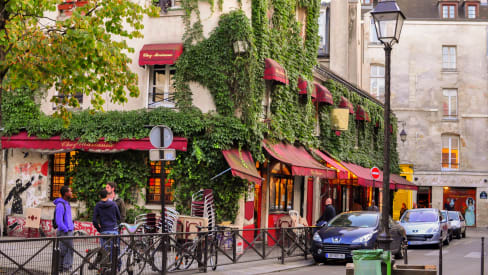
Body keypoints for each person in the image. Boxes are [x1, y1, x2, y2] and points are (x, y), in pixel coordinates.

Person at [93, 189, 121, 269]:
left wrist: (99, 229)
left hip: (104, 230)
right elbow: (119, 217)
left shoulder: (98, 205)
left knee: (104, 251)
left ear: (99, 196)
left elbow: (94, 220)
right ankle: (116, 268)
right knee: (115, 250)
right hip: (113, 230)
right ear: (107, 195)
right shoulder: (113, 204)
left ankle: (104, 268)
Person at [53, 186, 75, 273]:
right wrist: (66, 229)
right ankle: (66, 268)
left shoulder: (66, 203)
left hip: (68, 231)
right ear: (66, 193)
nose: (72, 193)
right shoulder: (60, 205)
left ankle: (62, 268)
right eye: (70, 191)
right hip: (65, 232)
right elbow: (59, 221)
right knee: (67, 250)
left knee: (65, 250)